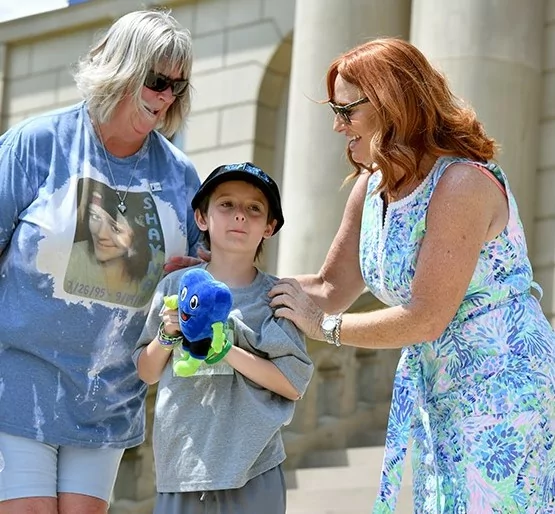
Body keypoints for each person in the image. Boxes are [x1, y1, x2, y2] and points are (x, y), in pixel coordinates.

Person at [268, 38, 555, 513]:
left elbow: (424, 317)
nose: (338, 126)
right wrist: (230, 284)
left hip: (503, 385)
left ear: (390, 103)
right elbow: (328, 288)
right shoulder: (371, 186)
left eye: (347, 111)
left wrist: (325, 329)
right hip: (438, 383)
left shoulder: (463, 183)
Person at [0, 9, 202, 514]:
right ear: (122, 67)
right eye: (156, 80)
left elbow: (202, 283)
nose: (165, 98)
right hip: (17, 386)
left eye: (177, 86)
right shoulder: (36, 145)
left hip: (108, 400)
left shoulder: (181, 177)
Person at [133, 161, 314, 514]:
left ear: (269, 227)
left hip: (253, 468)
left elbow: (292, 384)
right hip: (181, 466)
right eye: (226, 205)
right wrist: (169, 333)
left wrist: (225, 348)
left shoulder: (278, 297)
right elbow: (146, 371)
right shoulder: (175, 286)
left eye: (254, 209)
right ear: (202, 218)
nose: (240, 216)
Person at [65, 178, 165, 307]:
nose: (101, 234)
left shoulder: (160, 262)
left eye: (116, 229)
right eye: (95, 217)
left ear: (138, 233)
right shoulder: (73, 256)